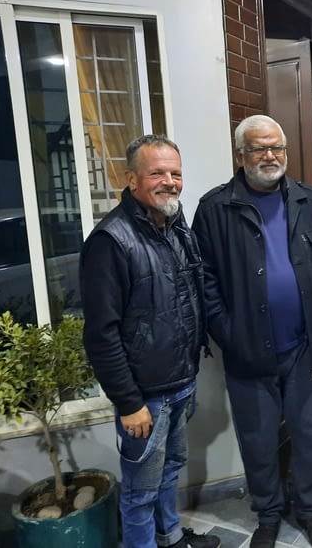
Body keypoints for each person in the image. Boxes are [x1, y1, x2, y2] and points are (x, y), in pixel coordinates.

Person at [191, 115, 312, 548]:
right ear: (241, 155)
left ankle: (309, 512)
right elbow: (204, 280)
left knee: (309, 434)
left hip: (304, 347)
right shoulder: (216, 209)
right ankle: (269, 515)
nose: (270, 155)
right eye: (259, 148)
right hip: (248, 351)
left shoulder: (309, 201)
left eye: (277, 147)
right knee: (257, 440)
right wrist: (228, 333)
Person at [80, 134, 219, 548]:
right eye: (157, 173)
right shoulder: (110, 241)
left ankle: (170, 537)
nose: (170, 182)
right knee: (140, 492)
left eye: (176, 173)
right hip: (145, 398)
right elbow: (101, 333)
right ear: (132, 179)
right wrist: (128, 402)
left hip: (181, 382)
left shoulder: (176, 227)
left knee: (170, 469)